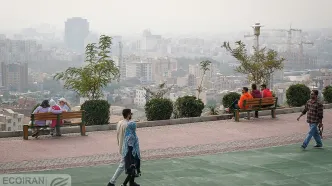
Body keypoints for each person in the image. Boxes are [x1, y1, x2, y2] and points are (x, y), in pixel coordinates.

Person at [108, 109, 140, 186]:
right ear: (128, 114)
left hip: (122, 146)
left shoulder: (120, 123)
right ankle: (112, 182)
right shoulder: (128, 125)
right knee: (123, 165)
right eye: (131, 114)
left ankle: (131, 182)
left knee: (132, 164)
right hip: (127, 149)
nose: (131, 116)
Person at [120, 121, 141, 186]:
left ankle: (132, 183)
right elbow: (129, 148)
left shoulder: (129, 133)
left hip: (132, 154)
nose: (135, 127)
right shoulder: (131, 136)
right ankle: (124, 184)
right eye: (135, 126)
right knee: (131, 171)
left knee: (133, 170)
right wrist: (131, 160)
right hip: (131, 155)